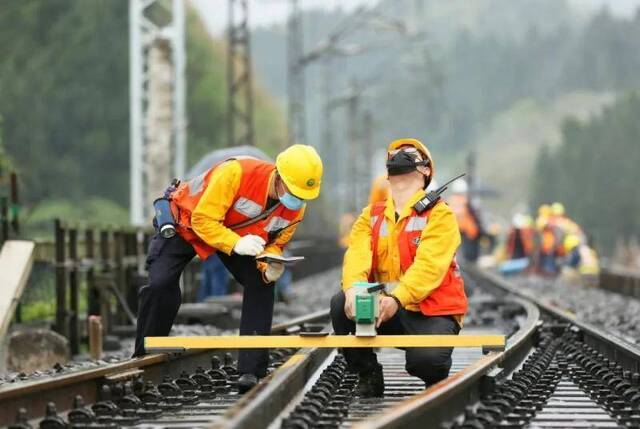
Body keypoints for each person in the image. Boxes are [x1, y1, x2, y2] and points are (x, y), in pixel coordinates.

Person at [134, 144, 323, 393]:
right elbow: (203, 219)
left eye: (302, 196)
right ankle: (144, 356)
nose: (296, 200)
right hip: (188, 222)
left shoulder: (297, 205)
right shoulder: (236, 173)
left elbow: (278, 242)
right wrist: (236, 244)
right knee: (161, 284)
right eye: (293, 191)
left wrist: (271, 264)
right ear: (278, 175)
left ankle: (251, 370)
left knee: (261, 283)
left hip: (235, 235)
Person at [330, 138, 467, 397]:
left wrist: (397, 299)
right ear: (388, 174)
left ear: (426, 170)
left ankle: (433, 376)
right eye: (395, 154)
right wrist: (352, 290)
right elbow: (357, 256)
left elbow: (429, 267)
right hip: (387, 308)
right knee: (340, 305)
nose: (401, 156)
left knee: (426, 363)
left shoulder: (440, 215)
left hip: (432, 310)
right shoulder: (370, 215)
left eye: (410, 153)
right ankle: (368, 373)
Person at [448, 179, 483, 262]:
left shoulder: (450, 200)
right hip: (467, 231)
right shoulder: (466, 200)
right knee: (468, 257)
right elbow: (474, 215)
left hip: (455, 230)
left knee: (458, 254)